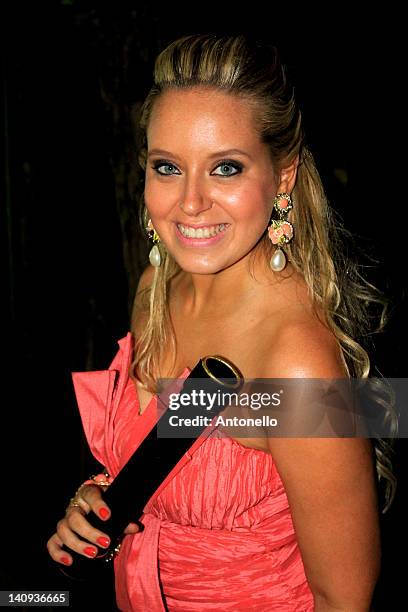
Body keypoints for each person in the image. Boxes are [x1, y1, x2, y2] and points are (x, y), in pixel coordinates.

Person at [47, 33, 396, 611]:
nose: (190, 202)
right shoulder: (155, 291)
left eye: (226, 168)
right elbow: (167, 455)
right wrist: (105, 502)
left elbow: (344, 599)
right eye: (167, 167)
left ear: (282, 175)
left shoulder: (296, 361)